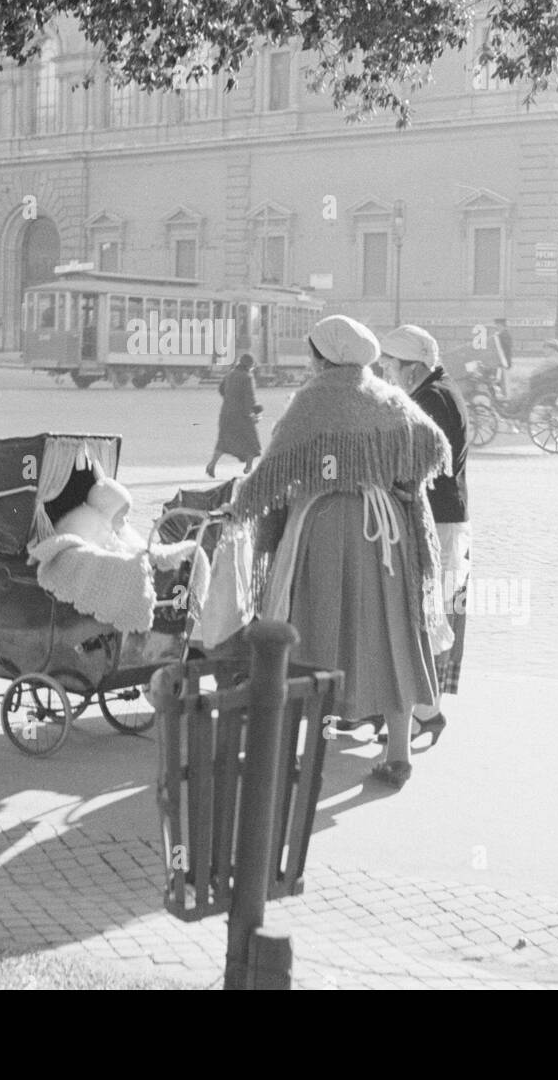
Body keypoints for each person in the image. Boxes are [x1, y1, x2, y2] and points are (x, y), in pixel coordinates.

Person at [234, 315, 452, 792]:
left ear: (321, 355)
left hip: (326, 527)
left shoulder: (314, 400)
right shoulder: (388, 398)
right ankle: (397, 755)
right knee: (393, 632)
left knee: (314, 629)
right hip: (387, 533)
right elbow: (433, 444)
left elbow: (272, 470)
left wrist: (242, 501)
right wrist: (393, 481)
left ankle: (297, 755)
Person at [383, 325, 470, 751]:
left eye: (391, 364)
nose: (387, 371)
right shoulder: (440, 389)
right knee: (427, 614)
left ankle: (426, 712)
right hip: (443, 519)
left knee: (424, 614)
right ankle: (420, 708)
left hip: (437, 522)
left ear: (413, 367)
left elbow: (418, 461)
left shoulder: (431, 400)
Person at [206, 353, 263, 477]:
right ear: (250, 365)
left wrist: (230, 400)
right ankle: (248, 469)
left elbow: (221, 389)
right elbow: (250, 398)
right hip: (242, 416)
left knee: (223, 442)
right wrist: (257, 410)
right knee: (251, 442)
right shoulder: (247, 377)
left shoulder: (230, 374)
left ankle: (212, 464)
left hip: (226, 414)